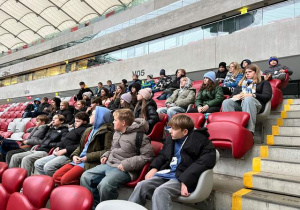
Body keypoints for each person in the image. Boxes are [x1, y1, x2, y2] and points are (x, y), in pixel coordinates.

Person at [128, 114, 216, 210]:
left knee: (161, 191)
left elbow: (203, 163)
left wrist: (185, 181)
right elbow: (163, 155)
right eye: (170, 128)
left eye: (173, 129)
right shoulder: (172, 138)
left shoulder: (200, 141)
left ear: (185, 131)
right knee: (141, 185)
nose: (170, 131)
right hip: (168, 173)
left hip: (184, 177)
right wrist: (154, 167)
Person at [80, 109, 154, 208]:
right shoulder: (117, 133)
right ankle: (96, 207)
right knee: (85, 177)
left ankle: (108, 208)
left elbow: (147, 156)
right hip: (109, 164)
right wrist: (106, 155)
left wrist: (126, 164)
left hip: (126, 169)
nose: (113, 122)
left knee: (105, 185)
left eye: (115, 120)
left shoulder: (140, 136)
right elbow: (112, 149)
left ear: (123, 122)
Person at [52, 107, 113, 186]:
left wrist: (88, 157)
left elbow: (107, 151)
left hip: (89, 162)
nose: (90, 116)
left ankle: (83, 192)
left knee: (65, 180)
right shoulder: (89, 130)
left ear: (99, 116)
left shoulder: (107, 132)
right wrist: (74, 155)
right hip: (78, 160)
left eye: (93, 114)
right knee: (56, 177)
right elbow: (80, 147)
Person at [34, 112, 91, 176]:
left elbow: (81, 146)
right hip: (61, 151)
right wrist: (58, 147)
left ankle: (55, 182)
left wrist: (65, 150)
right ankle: (49, 181)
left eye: (78, 121)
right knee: (38, 163)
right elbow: (64, 141)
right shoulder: (74, 130)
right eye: (75, 121)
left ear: (85, 122)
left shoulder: (86, 131)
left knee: (48, 167)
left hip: (69, 154)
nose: (75, 123)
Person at [222, 64, 272, 134]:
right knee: (226, 102)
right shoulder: (242, 84)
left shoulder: (263, 83)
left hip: (256, 105)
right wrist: (235, 96)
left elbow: (267, 96)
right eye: (246, 72)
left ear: (256, 72)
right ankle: (231, 129)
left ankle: (249, 131)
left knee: (248, 99)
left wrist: (252, 95)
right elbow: (232, 97)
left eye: (250, 71)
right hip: (241, 105)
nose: (247, 73)